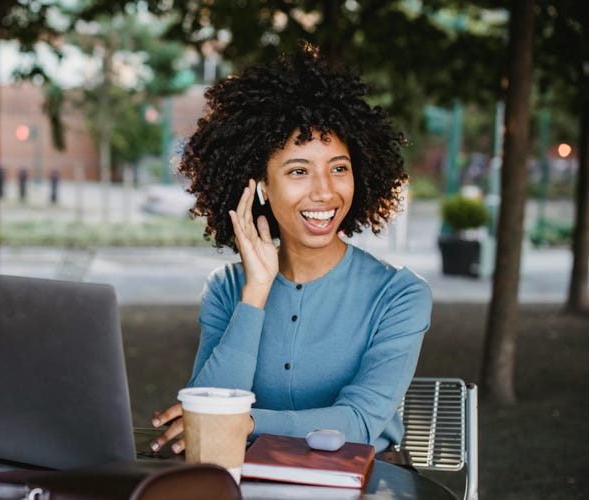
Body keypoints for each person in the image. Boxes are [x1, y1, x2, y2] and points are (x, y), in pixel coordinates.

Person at [149, 43, 432, 459]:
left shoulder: (400, 295)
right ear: (262, 185)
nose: (325, 191)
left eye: (339, 168)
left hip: (366, 479)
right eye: (299, 170)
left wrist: (246, 422)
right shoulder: (228, 288)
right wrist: (256, 292)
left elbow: (360, 423)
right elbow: (207, 411)